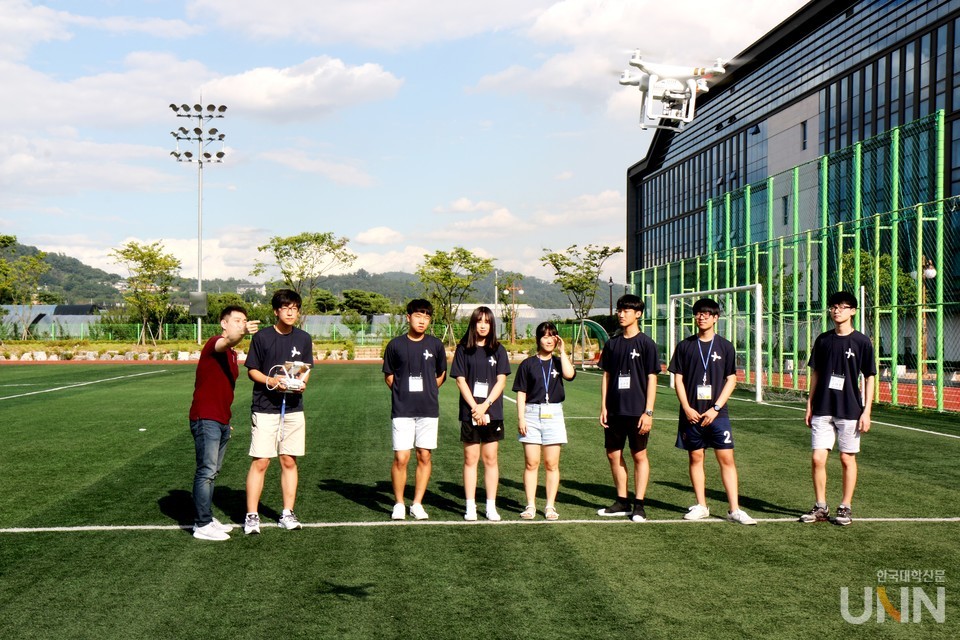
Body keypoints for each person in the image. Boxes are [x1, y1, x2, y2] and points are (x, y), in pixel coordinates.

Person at [667, 298, 756, 525]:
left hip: (718, 414)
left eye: (707, 314)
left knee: (726, 458)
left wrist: (716, 408)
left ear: (716, 318)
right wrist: (686, 407)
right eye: (698, 313)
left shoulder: (725, 346)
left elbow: (731, 379)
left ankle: (734, 509)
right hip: (691, 413)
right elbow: (678, 379)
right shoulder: (685, 345)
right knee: (695, 457)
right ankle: (701, 505)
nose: (702, 317)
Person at [801, 291, 876, 526]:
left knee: (846, 459)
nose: (837, 311)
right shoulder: (823, 340)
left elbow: (870, 377)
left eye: (842, 307)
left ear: (853, 311)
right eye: (833, 306)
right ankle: (821, 506)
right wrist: (809, 405)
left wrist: (867, 411)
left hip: (850, 409)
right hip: (822, 407)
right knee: (817, 458)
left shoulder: (862, 342)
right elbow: (816, 374)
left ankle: (845, 507)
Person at [243, 289, 313, 535]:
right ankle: (252, 515)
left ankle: (287, 512)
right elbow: (252, 370)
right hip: (265, 407)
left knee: (288, 459)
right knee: (261, 461)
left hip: (293, 407)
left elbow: (306, 369)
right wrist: (271, 381)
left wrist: (302, 382)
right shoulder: (262, 337)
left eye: (294, 307)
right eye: (285, 308)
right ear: (276, 311)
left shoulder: (303, 338)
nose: (290, 312)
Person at [189, 305, 258, 541]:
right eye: (237, 320)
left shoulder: (232, 354)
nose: (241, 324)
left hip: (220, 419)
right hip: (205, 417)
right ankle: (201, 524)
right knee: (206, 471)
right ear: (223, 323)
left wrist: (226, 421)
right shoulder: (215, 343)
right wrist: (243, 332)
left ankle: (206, 516)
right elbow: (227, 341)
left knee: (214, 471)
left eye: (244, 320)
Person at [383, 299, 447, 520]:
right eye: (418, 316)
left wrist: (427, 389)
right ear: (408, 317)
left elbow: (441, 375)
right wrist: (403, 392)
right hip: (402, 409)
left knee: (424, 455)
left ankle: (417, 503)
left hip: (428, 409)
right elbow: (389, 376)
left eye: (427, 317)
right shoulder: (395, 345)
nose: (422, 321)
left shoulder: (436, 345)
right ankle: (399, 503)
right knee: (401, 457)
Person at [598, 294, 660, 523]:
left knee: (639, 455)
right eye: (619, 310)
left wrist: (649, 412)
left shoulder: (646, 344)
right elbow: (606, 376)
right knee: (613, 454)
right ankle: (622, 500)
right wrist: (603, 406)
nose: (621, 314)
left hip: (637, 411)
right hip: (614, 410)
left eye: (626, 310)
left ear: (638, 314)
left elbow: (652, 379)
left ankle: (639, 504)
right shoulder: (612, 343)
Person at [450, 306, 511, 521]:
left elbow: (501, 380)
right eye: (479, 321)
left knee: (491, 458)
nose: (483, 325)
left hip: (492, 412)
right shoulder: (463, 349)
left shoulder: (499, 350)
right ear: (473, 323)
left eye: (487, 321)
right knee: (470, 458)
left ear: (492, 324)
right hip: (470, 412)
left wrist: (485, 405)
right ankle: (470, 507)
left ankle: (491, 506)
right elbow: (460, 380)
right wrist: (475, 408)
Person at [513, 321, 575, 520]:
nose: (549, 340)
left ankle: (550, 506)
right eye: (545, 336)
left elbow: (570, 374)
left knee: (551, 463)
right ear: (538, 339)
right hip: (532, 413)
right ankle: (530, 505)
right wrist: (521, 418)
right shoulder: (528, 364)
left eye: (552, 336)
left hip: (554, 414)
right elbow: (521, 393)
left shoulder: (558, 361)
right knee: (532, 463)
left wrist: (563, 351)